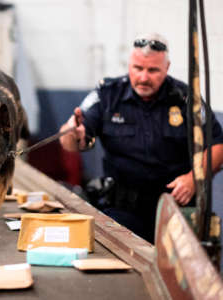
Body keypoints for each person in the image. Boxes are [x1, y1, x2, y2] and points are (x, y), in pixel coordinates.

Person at [59, 33, 223, 243]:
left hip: (174, 211)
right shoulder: (107, 95)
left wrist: (194, 178)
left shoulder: (186, 99)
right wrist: (73, 132)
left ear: (167, 67)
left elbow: (218, 145)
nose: (144, 77)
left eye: (153, 70)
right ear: (129, 65)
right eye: (138, 68)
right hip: (121, 213)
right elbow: (71, 141)